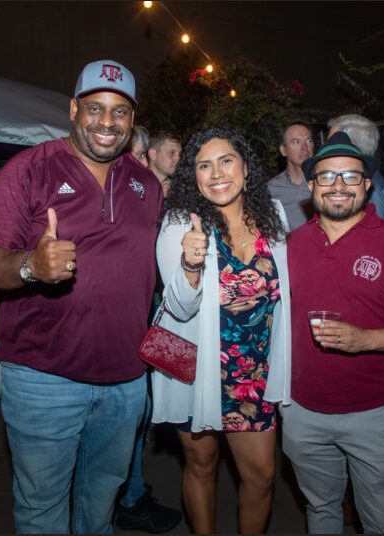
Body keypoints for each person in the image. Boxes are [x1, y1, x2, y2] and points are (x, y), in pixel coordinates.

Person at [0, 59, 163, 534]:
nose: (107, 122)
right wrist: (30, 267)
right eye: (95, 108)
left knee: (101, 502)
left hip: (125, 381)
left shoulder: (148, 184)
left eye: (120, 112)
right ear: (74, 109)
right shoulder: (28, 170)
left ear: (132, 120)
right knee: (42, 510)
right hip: (44, 379)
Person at [283, 132, 384, 534]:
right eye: (328, 176)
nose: (338, 186)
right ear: (312, 185)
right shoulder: (288, 246)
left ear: (368, 185)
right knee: (320, 510)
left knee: (383, 524)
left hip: (373, 414)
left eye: (350, 177)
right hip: (302, 411)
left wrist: (366, 339)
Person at [151, 126, 291, 533]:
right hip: (199, 369)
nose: (216, 174)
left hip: (255, 373)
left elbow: (287, 293)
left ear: (246, 168)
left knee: (262, 476)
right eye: (204, 165)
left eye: (226, 161)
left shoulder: (275, 216)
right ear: (193, 176)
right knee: (201, 464)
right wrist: (191, 266)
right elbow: (177, 306)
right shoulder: (181, 223)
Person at [115, 125, 182, 533]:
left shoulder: (158, 195)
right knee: (132, 408)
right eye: (136, 155)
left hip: (155, 309)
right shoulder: (126, 197)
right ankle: (130, 496)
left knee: (146, 402)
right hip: (132, 315)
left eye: (142, 155)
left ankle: (132, 490)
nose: (138, 163)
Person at [327, 114, 384, 224]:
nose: (326, 147)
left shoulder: (371, 191)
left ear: (352, 145)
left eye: (332, 142)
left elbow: (372, 238)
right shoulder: (365, 181)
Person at [268, 121, 315, 231]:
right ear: (283, 150)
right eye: (296, 142)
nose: (304, 148)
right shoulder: (271, 189)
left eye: (309, 141)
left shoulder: (325, 183)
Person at [148, 130, 182, 196]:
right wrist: (157, 198)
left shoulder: (178, 186)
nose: (178, 159)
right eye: (172, 153)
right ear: (153, 154)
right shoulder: (136, 185)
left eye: (179, 154)